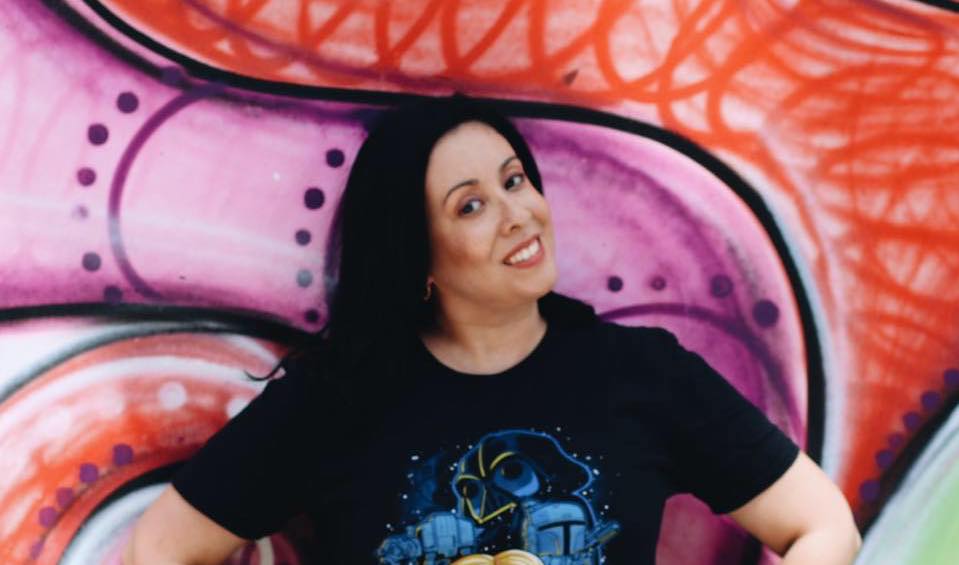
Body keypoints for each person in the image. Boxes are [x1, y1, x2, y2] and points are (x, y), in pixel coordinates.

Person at [123, 94, 861, 565]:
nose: (518, 214)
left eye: (514, 180)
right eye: (470, 205)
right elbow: (158, 550)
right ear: (418, 256)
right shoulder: (338, 396)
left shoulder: (637, 373)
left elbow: (823, 524)